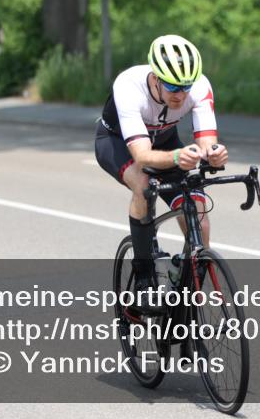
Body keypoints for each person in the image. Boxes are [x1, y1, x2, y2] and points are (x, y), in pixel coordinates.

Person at [95, 34, 226, 307]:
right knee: (144, 184)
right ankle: (143, 275)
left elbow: (206, 142)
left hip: (165, 141)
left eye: (186, 86)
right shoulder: (129, 86)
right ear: (155, 78)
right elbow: (142, 156)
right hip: (117, 143)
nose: (180, 94)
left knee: (198, 214)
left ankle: (188, 277)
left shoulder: (199, 86)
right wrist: (178, 156)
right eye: (172, 86)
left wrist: (213, 154)